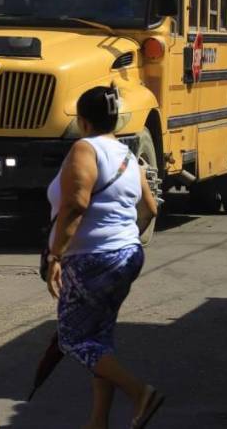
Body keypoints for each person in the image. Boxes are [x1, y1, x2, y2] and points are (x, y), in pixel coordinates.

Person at [45, 86, 162, 429]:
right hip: (126, 254)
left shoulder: (85, 148)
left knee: (72, 339)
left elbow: (76, 204)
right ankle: (98, 422)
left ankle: (140, 393)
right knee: (99, 337)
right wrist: (123, 234)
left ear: (81, 120)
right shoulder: (128, 157)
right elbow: (150, 209)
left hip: (90, 259)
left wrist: (55, 255)